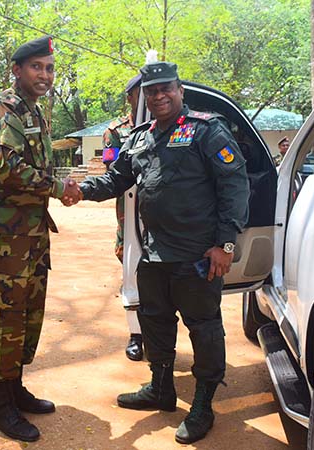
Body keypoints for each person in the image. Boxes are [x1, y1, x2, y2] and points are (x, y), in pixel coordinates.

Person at [63, 61, 250, 444]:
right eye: (152, 91)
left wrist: (225, 244)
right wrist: (82, 191)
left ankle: (202, 403)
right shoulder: (141, 136)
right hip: (154, 253)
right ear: (145, 97)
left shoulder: (206, 130)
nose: (160, 96)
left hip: (198, 254)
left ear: (180, 90)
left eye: (167, 88)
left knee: (204, 327)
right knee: (155, 322)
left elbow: (235, 185)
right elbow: (118, 178)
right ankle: (161, 389)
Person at [0, 35, 81, 442]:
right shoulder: (3, 109)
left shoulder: (36, 111)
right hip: (6, 234)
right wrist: (58, 188)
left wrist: (55, 189)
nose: (45, 75)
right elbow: (9, 169)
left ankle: (15, 387)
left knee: (30, 310)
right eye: (37, 67)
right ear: (17, 70)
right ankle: (2, 405)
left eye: (50, 68)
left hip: (31, 230)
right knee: (6, 314)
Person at [101, 74, 144, 362]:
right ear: (130, 97)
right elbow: (111, 168)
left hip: (165, 214)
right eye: (140, 92)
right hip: (129, 211)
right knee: (132, 270)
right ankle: (136, 335)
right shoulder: (115, 131)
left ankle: (159, 334)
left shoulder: (170, 125)